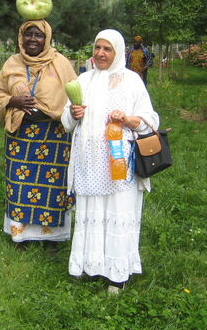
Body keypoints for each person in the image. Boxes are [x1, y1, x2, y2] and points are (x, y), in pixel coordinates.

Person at [61, 29, 159, 293]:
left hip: (119, 164)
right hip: (89, 163)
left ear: (118, 52)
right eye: (97, 48)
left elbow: (151, 120)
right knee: (92, 212)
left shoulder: (132, 81)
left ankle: (117, 275)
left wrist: (127, 119)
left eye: (107, 49)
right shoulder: (83, 80)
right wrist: (73, 113)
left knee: (117, 211)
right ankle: (90, 265)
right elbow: (66, 122)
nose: (101, 53)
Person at [0, 20, 77, 251]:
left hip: (54, 135)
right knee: (19, 185)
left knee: (53, 187)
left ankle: (51, 238)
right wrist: (13, 100)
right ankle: (21, 236)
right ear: (21, 37)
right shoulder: (12, 63)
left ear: (47, 38)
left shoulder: (61, 63)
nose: (33, 39)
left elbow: (76, 95)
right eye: (28, 34)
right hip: (20, 136)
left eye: (38, 35)